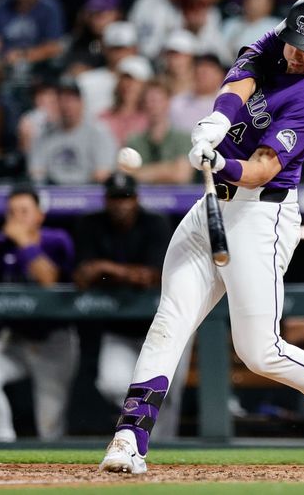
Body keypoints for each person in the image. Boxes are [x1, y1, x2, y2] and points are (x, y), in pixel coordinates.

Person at [99, 0, 304, 476]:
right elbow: (243, 75)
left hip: (262, 216)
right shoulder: (282, 39)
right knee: (170, 320)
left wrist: (219, 161)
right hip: (214, 206)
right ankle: (130, 437)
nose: (295, 52)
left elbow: (259, 170)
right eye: (294, 40)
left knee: (259, 352)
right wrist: (217, 120)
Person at [0, 184, 78, 442]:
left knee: (49, 430)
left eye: (24, 211)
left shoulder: (57, 240)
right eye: (11, 212)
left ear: (39, 215)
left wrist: (23, 242)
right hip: (16, 339)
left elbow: (48, 280)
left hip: (54, 342)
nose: (16, 218)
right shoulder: (0, 242)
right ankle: (3, 442)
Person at [74, 173, 189, 439]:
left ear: (136, 199)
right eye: (115, 197)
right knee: (112, 384)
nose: (121, 204)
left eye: (126, 197)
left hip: (165, 325)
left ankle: (165, 450)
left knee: (167, 394)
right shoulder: (91, 224)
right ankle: (140, 439)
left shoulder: (155, 223)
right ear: (106, 200)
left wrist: (105, 268)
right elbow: (82, 277)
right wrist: (125, 274)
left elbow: (148, 277)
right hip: (121, 331)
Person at [27, 76, 116, 185]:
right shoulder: (44, 134)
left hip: (89, 194)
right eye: (62, 99)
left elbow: (103, 173)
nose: (67, 105)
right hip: (53, 192)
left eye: (71, 99)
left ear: (81, 102)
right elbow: (36, 173)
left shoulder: (99, 132)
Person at [125, 80, 192, 184]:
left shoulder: (183, 138)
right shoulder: (135, 141)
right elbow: (128, 175)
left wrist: (142, 172)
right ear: (143, 105)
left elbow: (181, 175)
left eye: (158, 100)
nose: (154, 106)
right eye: (149, 101)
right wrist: (169, 168)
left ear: (168, 102)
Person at [98, 54, 150, 148]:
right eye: (125, 79)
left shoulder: (151, 119)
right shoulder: (103, 118)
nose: (129, 85)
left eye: (135, 81)